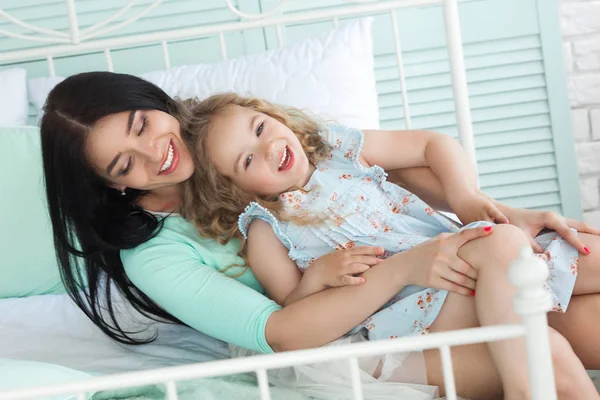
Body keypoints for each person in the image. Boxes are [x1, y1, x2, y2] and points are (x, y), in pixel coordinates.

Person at [40, 72, 600, 399]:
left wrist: (496, 210)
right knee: (549, 343)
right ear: (112, 188)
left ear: (152, 100)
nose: (153, 152)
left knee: (581, 253)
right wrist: (407, 266)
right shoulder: (165, 253)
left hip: (432, 268)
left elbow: (399, 171)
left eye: (143, 125)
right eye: (123, 165)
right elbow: (284, 326)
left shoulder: (262, 143)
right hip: (350, 334)